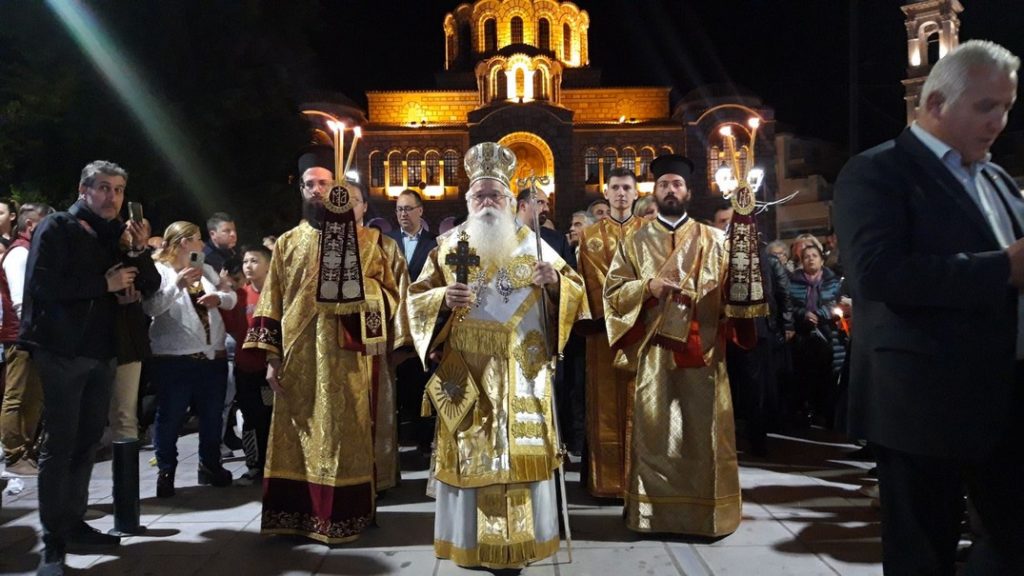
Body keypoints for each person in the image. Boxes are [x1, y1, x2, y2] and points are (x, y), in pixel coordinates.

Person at [834, 40, 1024, 574]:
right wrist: (1001, 268)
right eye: (986, 106)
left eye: (1007, 107)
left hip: (1005, 397)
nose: (999, 122)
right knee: (923, 554)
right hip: (922, 404)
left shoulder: (996, 178)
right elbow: (876, 273)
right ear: (936, 103)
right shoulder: (877, 172)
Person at [408, 142, 587, 568]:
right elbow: (413, 300)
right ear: (468, 201)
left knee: (523, 457)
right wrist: (441, 298)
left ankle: (525, 544)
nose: (487, 202)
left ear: (510, 200)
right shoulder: (447, 246)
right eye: (479, 196)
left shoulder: (535, 247)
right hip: (468, 371)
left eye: (495, 195)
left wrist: (556, 283)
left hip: (526, 372)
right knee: (472, 455)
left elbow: (577, 295)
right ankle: (471, 544)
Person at [243, 146, 399, 544]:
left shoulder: (368, 242)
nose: (316, 190)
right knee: (297, 438)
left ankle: (345, 516)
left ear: (338, 188)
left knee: (345, 438)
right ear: (302, 189)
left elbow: (391, 296)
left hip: (347, 358)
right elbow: (271, 302)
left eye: (324, 183)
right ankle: (296, 517)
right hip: (298, 359)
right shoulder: (287, 243)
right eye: (309, 184)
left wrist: (361, 294)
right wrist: (272, 358)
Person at [21, 160, 158, 575]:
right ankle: (53, 540)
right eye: (103, 187)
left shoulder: (117, 234)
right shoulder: (58, 227)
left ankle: (74, 522)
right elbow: (42, 285)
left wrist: (138, 252)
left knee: (88, 442)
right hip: (62, 351)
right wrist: (104, 285)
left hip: (102, 351)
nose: (112, 196)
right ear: (84, 190)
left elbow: (150, 284)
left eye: (118, 189)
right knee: (61, 443)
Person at [603, 154, 741, 537]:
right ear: (655, 191)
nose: (670, 190)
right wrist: (648, 287)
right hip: (656, 352)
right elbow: (613, 293)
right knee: (655, 432)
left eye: (676, 184)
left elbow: (732, 294)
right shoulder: (634, 241)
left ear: (688, 192)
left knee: (704, 433)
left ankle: (708, 516)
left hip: (705, 354)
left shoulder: (714, 240)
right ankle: (653, 515)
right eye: (663, 184)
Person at [143, 221, 237, 497]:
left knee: (212, 415)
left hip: (212, 355)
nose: (201, 244)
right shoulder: (159, 270)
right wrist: (178, 284)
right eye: (197, 239)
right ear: (184, 242)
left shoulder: (204, 268)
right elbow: (151, 308)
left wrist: (218, 298)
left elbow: (230, 297)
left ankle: (210, 465)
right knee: (171, 416)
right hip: (174, 358)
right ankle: (166, 471)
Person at [576, 167, 643, 497]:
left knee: (643, 404)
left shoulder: (650, 233)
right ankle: (608, 482)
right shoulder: (590, 236)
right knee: (604, 403)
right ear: (606, 192)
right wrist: (622, 311)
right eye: (615, 187)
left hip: (643, 332)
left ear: (636, 193)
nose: (620, 193)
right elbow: (593, 280)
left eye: (626, 188)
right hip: (605, 333)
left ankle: (641, 480)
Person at [0, 203, 52, 478]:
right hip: (20, 336)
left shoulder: (28, 251)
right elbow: (21, 301)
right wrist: (33, 335)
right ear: (31, 225)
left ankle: (27, 450)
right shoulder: (19, 254)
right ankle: (14, 453)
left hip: (31, 335)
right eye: (46, 224)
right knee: (16, 396)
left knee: (34, 396)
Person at [386, 189, 438, 455]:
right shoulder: (387, 243)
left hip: (423, 325)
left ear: (420, 211)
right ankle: (395, 440)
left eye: (407, 209)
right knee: (395, 386)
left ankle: (423, 442)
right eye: (399, 209)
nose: (403, 214)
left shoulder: (434, 244)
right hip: (393, 324)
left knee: (421, 384)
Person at [787, 244, 845, 428]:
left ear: (821, 260)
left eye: (814, 255)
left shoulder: (833, 281)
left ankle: (828, 415)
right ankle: (807, 412)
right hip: (804, 335)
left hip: (829, 334)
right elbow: (789, 306)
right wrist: (804, 314)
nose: (811, 259)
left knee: (830, 376)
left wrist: (820, 314)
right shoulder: (793, 282)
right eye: (806, 256)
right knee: (805, 375)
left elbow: (837, 303)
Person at [231, 245, 273, 485]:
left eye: (254, 260)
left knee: (272, 416)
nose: (248, 265)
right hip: (245, 368)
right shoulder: (238, 295)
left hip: (270, 369)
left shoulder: (278, 294)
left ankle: (276, 465)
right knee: (250, 417)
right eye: (246, 261)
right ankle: (254, 465)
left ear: (268, 265)